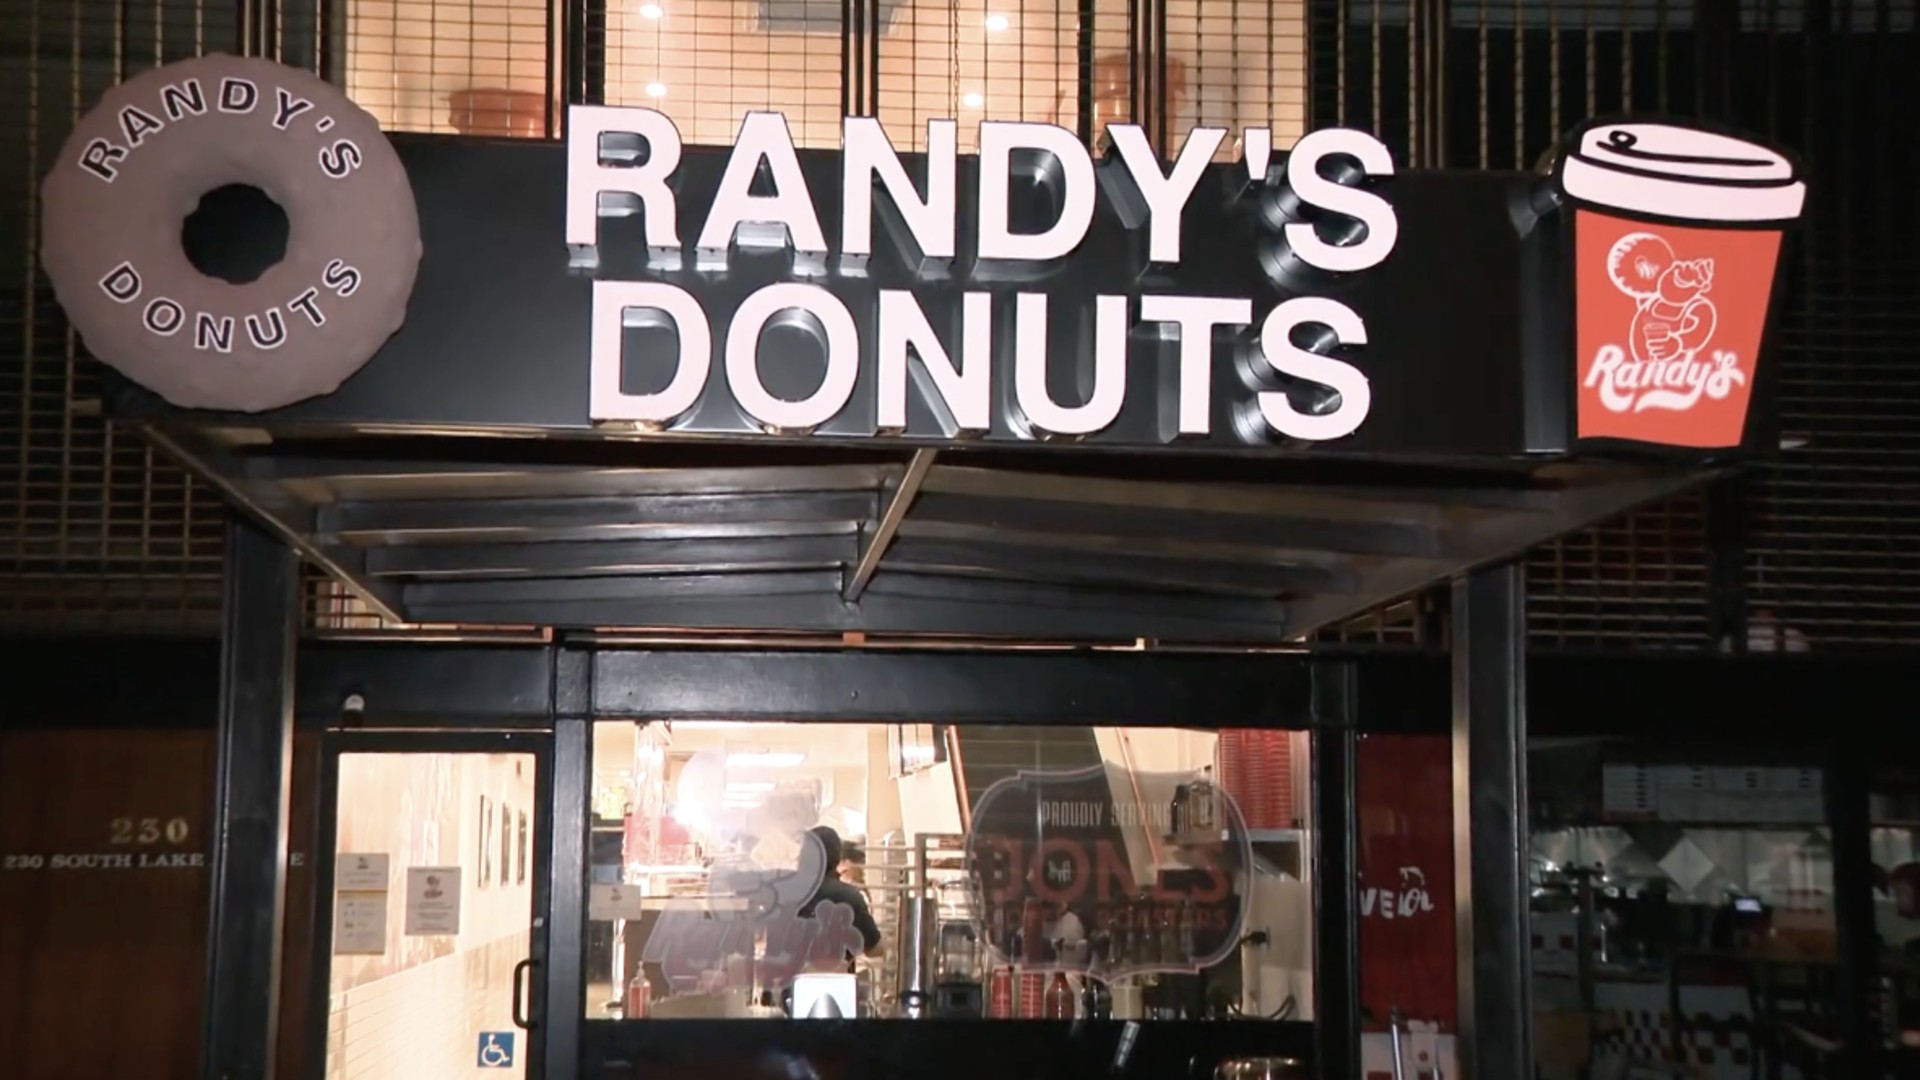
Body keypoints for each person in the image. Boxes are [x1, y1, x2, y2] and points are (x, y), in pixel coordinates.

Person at [798, 825, 882, 967]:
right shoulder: (849, 896)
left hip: (785, 983)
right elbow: (874, 949)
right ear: (838, 857)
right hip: (837, 983)